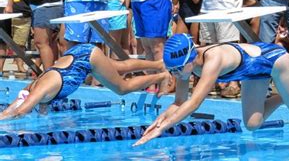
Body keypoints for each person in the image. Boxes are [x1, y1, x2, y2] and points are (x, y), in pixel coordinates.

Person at [133, 34, 289, 146]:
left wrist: (163, 130)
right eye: (172, 70)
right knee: (252, 124)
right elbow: (178, 102)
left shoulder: (213, 60)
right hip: (251, 71)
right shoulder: (186, 67)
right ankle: (284, 95)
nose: (175, 75)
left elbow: (193, 104)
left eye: (178, 70)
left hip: (273, 60)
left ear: (190, 59)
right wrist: (159, 121)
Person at [0, 44, 169, 120]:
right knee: (120, 66)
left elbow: (19, 111)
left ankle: (161, 76)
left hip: (86, 58)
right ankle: (158, 64)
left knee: (121, 88)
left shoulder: (39, 90)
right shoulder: (31, 88)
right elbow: (13, 108)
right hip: (78, 54)